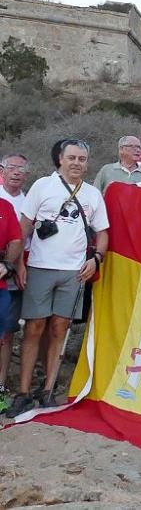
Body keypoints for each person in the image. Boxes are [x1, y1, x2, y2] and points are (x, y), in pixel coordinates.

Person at [7, 140, 110, 417]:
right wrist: (19, 263)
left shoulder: (91, 194)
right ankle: (23, 391)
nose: (77, 163)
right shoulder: (42, 185)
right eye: (72, 158)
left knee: (59, 328)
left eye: (82, 159)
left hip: (74, 271)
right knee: (34, 328)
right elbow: (24, 227)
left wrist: (96, 258)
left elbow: (102, 233)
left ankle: (48, 389)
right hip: (40, 266)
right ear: (61, 160)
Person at [0, 154, 29, 399]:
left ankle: (1, 384)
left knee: (7, 330)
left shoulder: (27, 202)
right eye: (12, 167)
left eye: (21, 169)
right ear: (2, 170)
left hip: (13, 273)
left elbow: (19, 239)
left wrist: (16, 266)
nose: (16, 172)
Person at [0, 196, 24, 411]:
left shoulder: (5, 206)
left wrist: (7, 263)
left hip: (0, 288)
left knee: (2, 337)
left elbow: (16, 238)